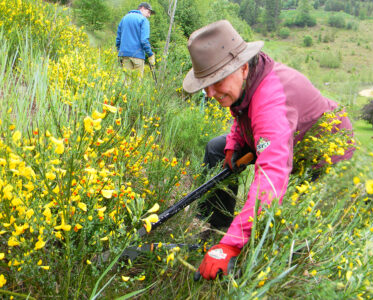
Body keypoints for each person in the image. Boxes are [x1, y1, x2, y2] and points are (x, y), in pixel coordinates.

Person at [182, 20, 354, 281]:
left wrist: (233, 244)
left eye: (216, 81)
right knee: (217, 149)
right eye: (206, 83)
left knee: (296, 217)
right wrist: (233, 143)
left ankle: (258, 260)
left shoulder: (272, 98)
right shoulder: (249, 77)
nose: (210, 92)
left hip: (323, 150)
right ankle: (216, 229)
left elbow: (271, 175)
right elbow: (242, 110)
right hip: (286, 137)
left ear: (242, 67)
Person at [116, 2, 155, 76]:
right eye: (148, 12)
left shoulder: (124, 18)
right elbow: (144, 40)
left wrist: (119, 51)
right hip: (138, 56)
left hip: (124, 55)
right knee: (137, 83)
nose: (149, 15)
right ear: (142, 8)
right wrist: (150, 54)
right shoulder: (144, 20)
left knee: (126, 82)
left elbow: (118, 39)